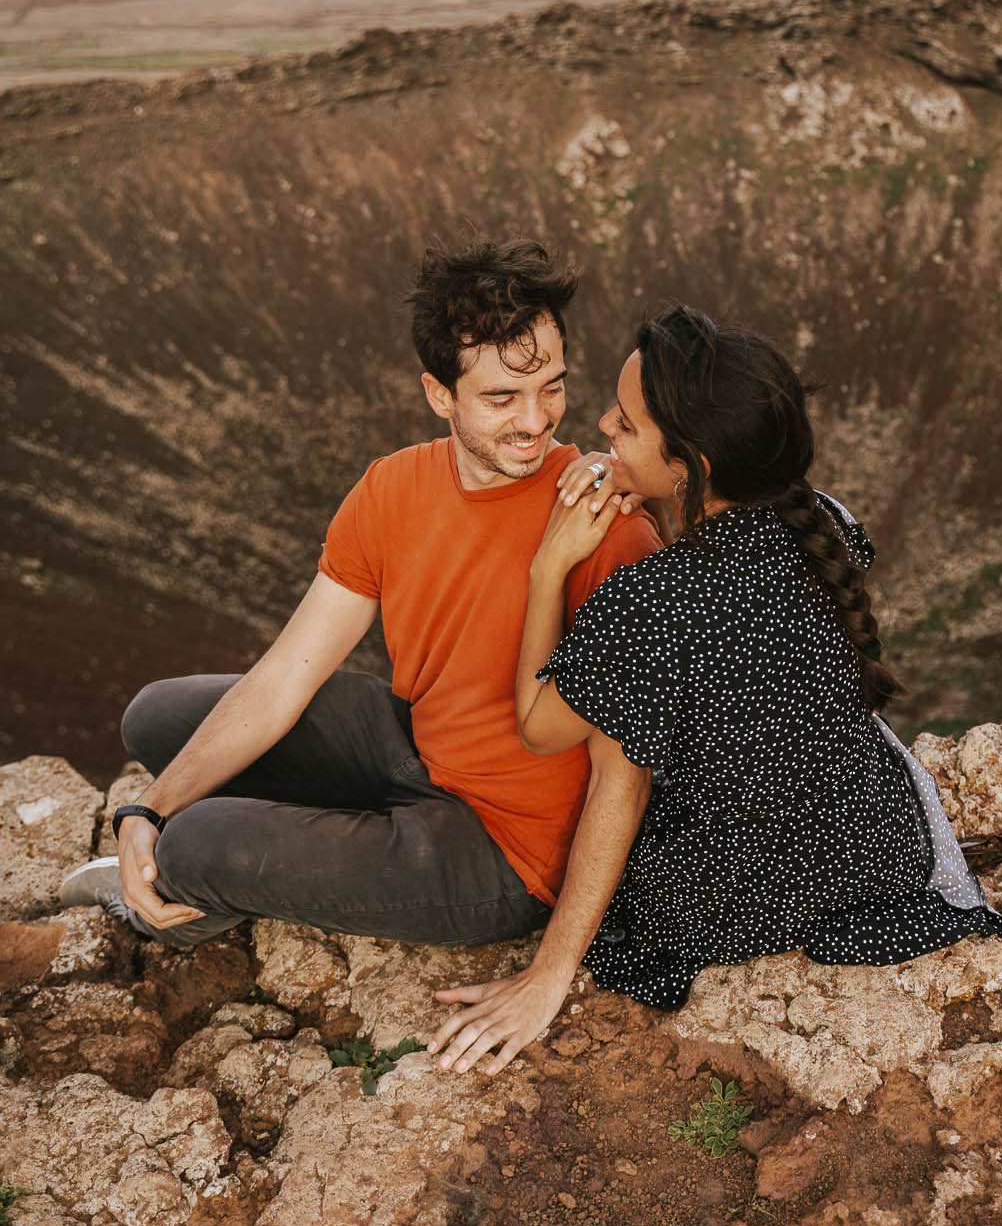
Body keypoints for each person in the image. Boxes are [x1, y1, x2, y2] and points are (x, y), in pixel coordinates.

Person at [427, 305, 1002, 1073]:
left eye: (627, 425)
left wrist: (549, 569)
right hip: (868, 854)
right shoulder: (824, 522)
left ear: (692, 463)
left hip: (728, 893)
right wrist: (671, 500)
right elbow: (736, 636)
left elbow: (545, 731)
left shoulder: (653, 603)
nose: (601, 420)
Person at [59, 239, 661, 958]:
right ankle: (307, 835)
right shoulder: (391, 488)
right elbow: (286, 675)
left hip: (507, 851)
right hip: (417, 746)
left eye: (552, 387)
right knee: (155, 717)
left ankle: (189, 895)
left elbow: (626, 772)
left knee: (194, 846)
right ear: (439, 393)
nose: (536, 421)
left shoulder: (604, 523)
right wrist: (143, 806)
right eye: (502, 397)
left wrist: (556, 963)